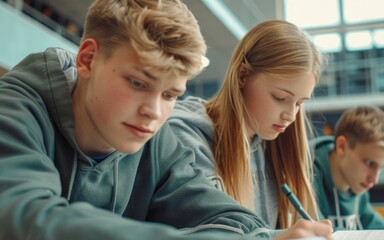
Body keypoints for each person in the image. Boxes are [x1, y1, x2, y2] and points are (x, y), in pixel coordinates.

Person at [0, 1, 320, 239]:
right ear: (88, 59)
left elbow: (231, 220)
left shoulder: (157, 141)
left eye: (170, 95)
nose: (154, 112)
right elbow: (24, 218)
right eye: (138, 83)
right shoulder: (15, 109)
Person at [168, 20, 333, 239]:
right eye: (280, 98)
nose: (291, 115)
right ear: (243, 76)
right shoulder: (184, 136)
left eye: (300, 102)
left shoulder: (273, 145)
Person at [311, 106, 384, 230]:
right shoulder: (305, 177)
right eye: (369, 163)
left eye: (381, 167)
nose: (374, 179)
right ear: (342, 146)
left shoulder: (356, 185)